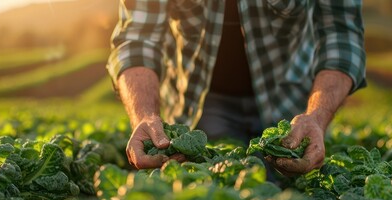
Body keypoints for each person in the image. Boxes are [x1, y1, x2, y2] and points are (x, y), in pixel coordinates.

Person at [107, 0, 366, 175]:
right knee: (215, 193)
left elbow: (341, 34)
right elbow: (138, 38)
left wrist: (317, 118)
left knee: (290, 193)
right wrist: (144, 115)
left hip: (291, 103)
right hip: (202, 105)